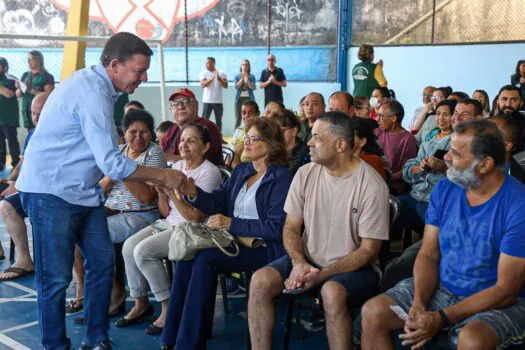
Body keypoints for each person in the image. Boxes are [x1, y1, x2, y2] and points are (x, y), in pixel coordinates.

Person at [15, 32, 188, 350]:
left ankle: (96, 338)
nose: (143, 77)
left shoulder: (101, 89)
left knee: (101, 263)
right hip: (51, 192)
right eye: (138, 70)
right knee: (54, 279)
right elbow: (113, 164)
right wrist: (165, 177)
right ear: (114, 65)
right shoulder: (92, 92)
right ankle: (56, 345)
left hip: (83, 192)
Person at [362, 120, 525, 350]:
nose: (446, 157)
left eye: (456, 153)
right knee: (373, 312)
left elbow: (506, 291)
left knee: (472, 341)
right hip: (443, 286)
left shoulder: (518, 205)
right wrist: (419, 301)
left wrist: (443, 317)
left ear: (485, 164)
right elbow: (429, 252)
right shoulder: (446, 189)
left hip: (497, 302)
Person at [248, 112, 389, 350]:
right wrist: (299, 262)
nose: (309, 143)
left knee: (332, 292)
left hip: (354, 267)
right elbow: (291, 227)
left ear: (341, 144)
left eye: (316, 137)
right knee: (260, 280)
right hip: (308, 258)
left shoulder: (372, 186)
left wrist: (321, 275)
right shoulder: (306, 173)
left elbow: (368, 251)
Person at [160, 117, 291, 350]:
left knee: (205, 259)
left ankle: (188, 344)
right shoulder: (242, 170)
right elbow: (216, 202)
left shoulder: (280, 178)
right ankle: (172, 337)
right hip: (233, 240)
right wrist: (192, 191)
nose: (246, 143)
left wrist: (231, 223)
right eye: (246, 138)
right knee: (187, 256)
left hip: (263, 246)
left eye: (254, 139)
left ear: (271, 145)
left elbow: (275, 227)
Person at [118, 123, 223, 335]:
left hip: (192, 230)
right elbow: (165, 212)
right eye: (182, 139)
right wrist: (162, 193)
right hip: (170, 223)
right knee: (129, 247)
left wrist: (173, 193)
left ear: (205, 147)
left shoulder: (209, 173)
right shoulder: (176, 168)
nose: (184, 144)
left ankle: (168, 308)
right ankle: (141, 303)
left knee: (143, 251)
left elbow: (195, 217)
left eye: (191, 140)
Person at [381, 99, 484, 292]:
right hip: (416, 195)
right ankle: (379, 258)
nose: (451, 118)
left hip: (435, 203)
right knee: (381, 211)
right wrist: (421, 167)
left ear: (479, 118)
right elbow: (408, 170)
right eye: (454, 114)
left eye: (462, 114)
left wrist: (444, 168)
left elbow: (469, 182)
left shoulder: (477, 147)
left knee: (410, 260)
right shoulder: (430, 139)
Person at [0, 92, 49, 281]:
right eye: (33, 113)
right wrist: (12, 181)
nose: (36, 118)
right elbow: (22, 163)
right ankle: (23, 259)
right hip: (26, 187)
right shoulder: (32, 134)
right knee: (6, 204)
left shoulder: (61, 135)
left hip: (46, 193)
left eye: (40, 113)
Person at [160, 88, 223, 166]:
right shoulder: (172, 129)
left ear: (196, 106)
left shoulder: (207, 127)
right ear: (171, 109)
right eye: (175, 104)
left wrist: (166, 157)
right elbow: (159, 153)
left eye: (186, 102)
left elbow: (197, 161)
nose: (180, 107)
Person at [375, 100, 418, 195]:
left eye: (381, 116)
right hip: (375, 179)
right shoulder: (377, 132)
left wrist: (386, 178)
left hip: (392, 185)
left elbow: (408, 170)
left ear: (393, 118)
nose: (377, 119)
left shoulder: (408, 139)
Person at [15, 50, 54, 130]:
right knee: (30, 133)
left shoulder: (47, 76)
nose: (28, 62)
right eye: (28, 59)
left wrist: (31, 90)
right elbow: (18, 95)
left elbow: (49, 96)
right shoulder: (25, 75)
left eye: (31, 59)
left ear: (38, 61)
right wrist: (20, 88)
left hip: (40, 112)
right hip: (27, 110)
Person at [273, 109, 309, 177]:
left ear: (294, 131)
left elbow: (289, 176)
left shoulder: (307, 154)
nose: (277, 135)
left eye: (282, 131)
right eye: (274, 131)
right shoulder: (271, 149)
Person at [0, 57, 21, 170]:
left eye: (2, 65)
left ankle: (16, 164)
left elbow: (9, 94)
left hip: (9, 117)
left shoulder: (11, 79)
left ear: (5, 67)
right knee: (0, 144)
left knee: (12, 142)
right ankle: (1, 163)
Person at [200, 57, 228, 131]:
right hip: (207, 101)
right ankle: (203, 137)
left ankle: (219, 138)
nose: (206, 64)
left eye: (208, 63)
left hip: (218, 101)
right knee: (204, 121)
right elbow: (203, 85)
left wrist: (219, 78)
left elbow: (226, 86)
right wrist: (212, 78)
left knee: (218, 121)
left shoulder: (221, 73)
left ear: (213, 63)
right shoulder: (204, 73)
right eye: (206, 63)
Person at [231, 100, 260, 168]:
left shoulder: (262, 132)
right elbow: (231, 154)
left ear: (258, 114)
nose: (247, 115)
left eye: (250, 113)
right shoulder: (238, 131)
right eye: (244, 113)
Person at [234, 59, 256, 129]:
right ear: (241, 66)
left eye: (246, 65)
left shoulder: (252, 76)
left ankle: (250, 133)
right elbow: (237, 87)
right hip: (239, 99)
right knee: (238, 118)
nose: (245, 66)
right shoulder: (237, 76)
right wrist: (242, 78)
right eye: (243, 65)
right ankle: (236, 137)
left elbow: (253, 87)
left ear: (249, 67)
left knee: (250, 118)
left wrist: (247, 79)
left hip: (249, 99)